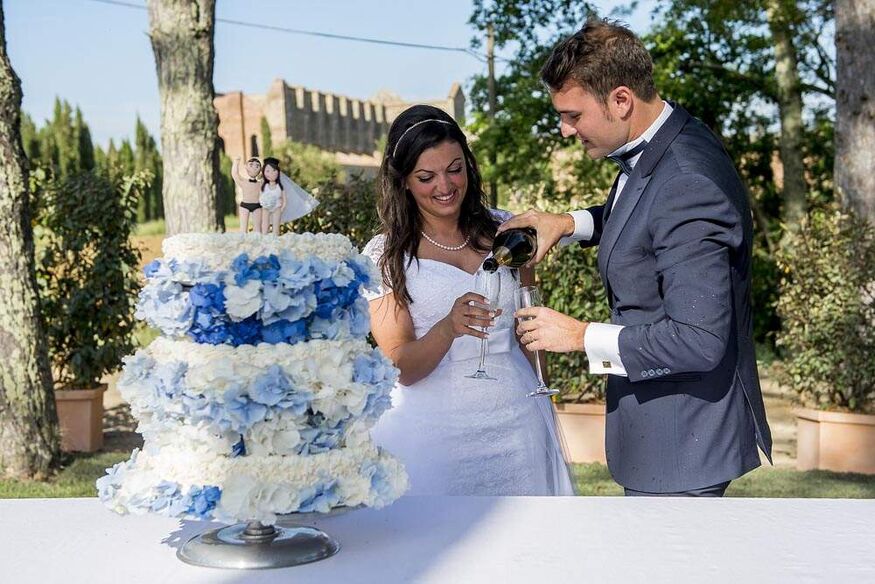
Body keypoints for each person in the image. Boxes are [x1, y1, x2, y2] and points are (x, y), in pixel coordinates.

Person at [501, 18, 772, 497]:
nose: (565, 130)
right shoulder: (672, 138)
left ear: (621, 100)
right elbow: (647, 221)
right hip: (670, 434)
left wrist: (580, 336)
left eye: (572, 115)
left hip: (683, 443)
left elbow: (698, 340)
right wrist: (568, 223)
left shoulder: (687, 178)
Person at [362, 104, 574, 496]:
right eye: (426, 177)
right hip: (434, 434)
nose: (445, 186)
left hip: (517, 421)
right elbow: (400, 367)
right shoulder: (385, 254)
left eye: (454, 169)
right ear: (404, 181)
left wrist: (543, 393)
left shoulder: (508, 231)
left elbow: (528, 324)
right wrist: (447, 328)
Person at [232, 156, 264, 233]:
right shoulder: (244, 181)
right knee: (243, 228)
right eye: (251, 165)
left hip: (257, 206)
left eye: (257, 166)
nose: (254, 167)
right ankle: (243, 241)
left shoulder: (261, 183)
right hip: (244, 206)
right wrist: (236, 162)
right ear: (246, 167)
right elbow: (235, 174)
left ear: (260, 170)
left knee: (257, 229)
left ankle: (257, 242)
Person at [259, 157, 287, 235]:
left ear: (278, 172)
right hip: (266, 208)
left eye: (274, 170)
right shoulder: (264, 186)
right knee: (265, 223)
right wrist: (263, 203)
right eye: (267, 171)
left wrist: (281, 209)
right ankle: (264, 236)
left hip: (277, 208)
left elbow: (284, 200)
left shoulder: (280, 187)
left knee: (276, 224)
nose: (271, 173)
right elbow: (260, 197)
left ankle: (275, 236)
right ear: (264, 172)